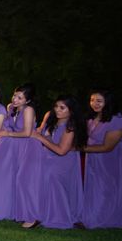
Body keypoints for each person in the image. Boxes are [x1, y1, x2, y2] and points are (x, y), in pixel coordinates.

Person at [0, 83, 37, 224]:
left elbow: (27, 133)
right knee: (9, 179)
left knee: (24, 181)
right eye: (15, 96)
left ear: (27, 100)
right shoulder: (10, 108)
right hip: (13, 146)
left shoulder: (28, 110)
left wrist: (7, 133)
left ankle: (30, 215)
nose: (15, 100)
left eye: (20, 98)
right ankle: (3, 211)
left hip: (27, 147)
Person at [81, 89, 122, 228]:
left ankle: (105, 219)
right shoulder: (91, 117)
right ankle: (91, 216)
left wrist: (79, 148)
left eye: (99, 101)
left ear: (108, 102)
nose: (94, 103)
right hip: (93, 158)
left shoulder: (116, 119)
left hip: (112, 159)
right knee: (94, 188)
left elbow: (107, 147)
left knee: (108, 188)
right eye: (92, 100)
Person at [30, 95, 86, 229]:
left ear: (71, 110)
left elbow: (61, 150)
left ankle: (58, 216)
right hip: (47, 158)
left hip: (62, 161)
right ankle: (41, 214)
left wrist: (40, 138)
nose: (58, 110)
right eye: (56, 106)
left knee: (55, 184)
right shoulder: (52, 120)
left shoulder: (70, 126)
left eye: (62, 108)